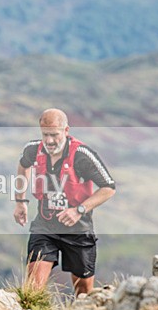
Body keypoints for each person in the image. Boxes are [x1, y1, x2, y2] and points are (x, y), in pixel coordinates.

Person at [13, 108, 115, 295]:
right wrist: (21, 201)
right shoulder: (33, 150)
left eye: (54, 135)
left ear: (66, 131)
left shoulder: (82, 155)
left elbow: (109, 188)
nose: (50, 140)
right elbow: (23, 165)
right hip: (45, 227)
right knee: (32, 288)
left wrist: (79, 210)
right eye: (45, 135)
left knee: (83, 293)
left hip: (78, 230)